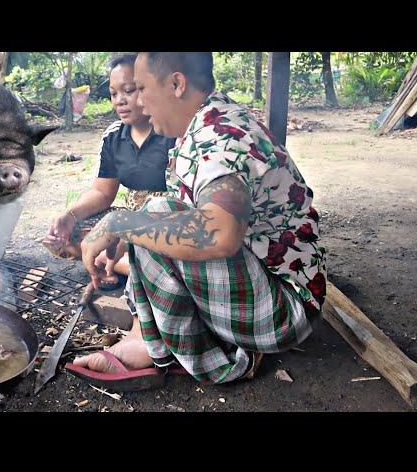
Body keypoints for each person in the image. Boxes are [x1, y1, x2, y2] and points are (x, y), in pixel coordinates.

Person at [67, 52, 326, 389]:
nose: (141, 103)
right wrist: (129, 233)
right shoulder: (204, 124)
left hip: (282, 312)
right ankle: (154, 341)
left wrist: (120, 224)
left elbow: (219, 233)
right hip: (263, 287)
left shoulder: (220, 137)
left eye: (142, 88)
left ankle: (174, 352)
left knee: (153, 215)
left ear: (177, 84)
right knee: (151, 216)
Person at [44, 54, 175, 288]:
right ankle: (118, 259)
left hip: (164, 223)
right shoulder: (115, 137)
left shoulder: (174, 133)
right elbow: (103, 193)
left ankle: (117, 262)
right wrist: (70, 215)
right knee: (73, 232)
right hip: (128, 221)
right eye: (114, 94)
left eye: (129, 90)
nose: (119, 101)